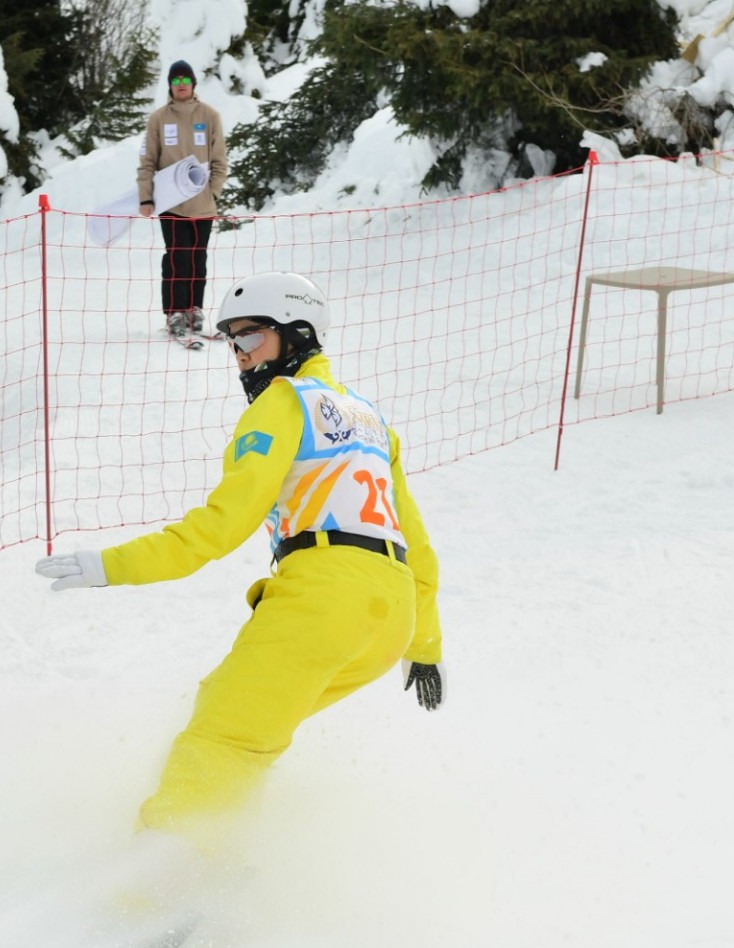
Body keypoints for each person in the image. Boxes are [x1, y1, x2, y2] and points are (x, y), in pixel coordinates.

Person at [36, 271, 445, 859]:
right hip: (389, 618)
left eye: (252, 338)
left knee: (221, 741)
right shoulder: (370, 419)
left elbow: (219, 528)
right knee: (245, 724)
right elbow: (419, 548)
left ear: (297, 334)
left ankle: (155, 902)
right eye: (232, 342)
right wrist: (423, 645)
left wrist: (110, 566)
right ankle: (226, 863)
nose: (240, 355)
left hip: (322, 602)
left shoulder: (283, 404)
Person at [137, 60, 228, 342]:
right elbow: (148, 160)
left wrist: (213, 192)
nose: (180, 85)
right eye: (175, 81)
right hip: (171, 203)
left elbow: (219, 160)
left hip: (203, 205)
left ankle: (193, 309)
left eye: (185, 80)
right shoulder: (159, 118)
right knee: (177, 258)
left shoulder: (210, 115)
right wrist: (146, 197)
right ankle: (175, 311)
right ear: (170, 86)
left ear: (193, 84)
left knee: (198, 259)